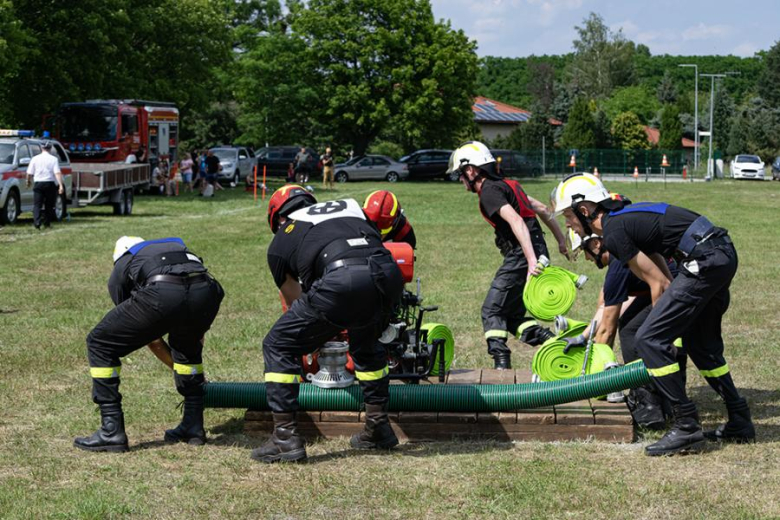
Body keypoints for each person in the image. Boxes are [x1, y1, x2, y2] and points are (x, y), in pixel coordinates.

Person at [552, 173, 755, 455]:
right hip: (719, 253)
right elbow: (662, 281)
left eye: (569, 217)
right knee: (701, 345)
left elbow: (659, 283)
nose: (569, 224)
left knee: (648, 339)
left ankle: (686, 426)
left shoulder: (613, 231)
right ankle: (740, 419)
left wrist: (662, 334)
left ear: (583, 210)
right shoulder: (625, 219)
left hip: (705, 259)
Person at [254, 185, 404, 463]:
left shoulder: (280, 242)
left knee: (278, 344)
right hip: (388, 276)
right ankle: (378, 428)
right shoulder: (349, 208)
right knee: (367, 342)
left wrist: (318, 338)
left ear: (276, 218)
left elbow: (295, 301)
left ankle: (285, 439)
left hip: (341, 279)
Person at [73, 236, 224, 452]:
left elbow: (151, 338)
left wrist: (177, 367)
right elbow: (196, 336)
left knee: (100, 343)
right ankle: (193, 425)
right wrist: (189, 372)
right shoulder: (173, 248)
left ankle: (111, 430)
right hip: (207, 290)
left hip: (163, 291)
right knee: (187, 346)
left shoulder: (121, 268)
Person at [446, 141, 567, 370]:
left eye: (460, 175)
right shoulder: (508, 185)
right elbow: (541, 209)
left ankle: (501, 366)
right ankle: (553, 343)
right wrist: (561, 241)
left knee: (491, 310)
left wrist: (531, 260)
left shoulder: (489, 192)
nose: (460, 180)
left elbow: (516, 221)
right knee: (510, 315)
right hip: (534, 251)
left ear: (471, 170)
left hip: (522, 255)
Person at [563, 230, 685, 429]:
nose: (586, 258)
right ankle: (657, 396)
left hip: (676, 290)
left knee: (635, 333)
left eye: (584, 251)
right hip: (668, 286)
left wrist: (599, 378)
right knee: (629, 324)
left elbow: (607, 330)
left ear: (595, 244)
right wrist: (583, 337)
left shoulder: (618, 266)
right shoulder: (619, 261)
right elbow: (606, 307)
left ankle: (649, 402)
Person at [26, 141, 65, 229]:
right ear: (50, 148)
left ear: (41, 148)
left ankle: (37, 222)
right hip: (50, 183)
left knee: (37, 204)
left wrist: (28, 181)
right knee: (49, 205)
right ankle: (47, 223)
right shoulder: (53, 159)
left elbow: (29, 173)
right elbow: (57, 173)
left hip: (38, 183)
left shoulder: (35, 158)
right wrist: (60, 185)